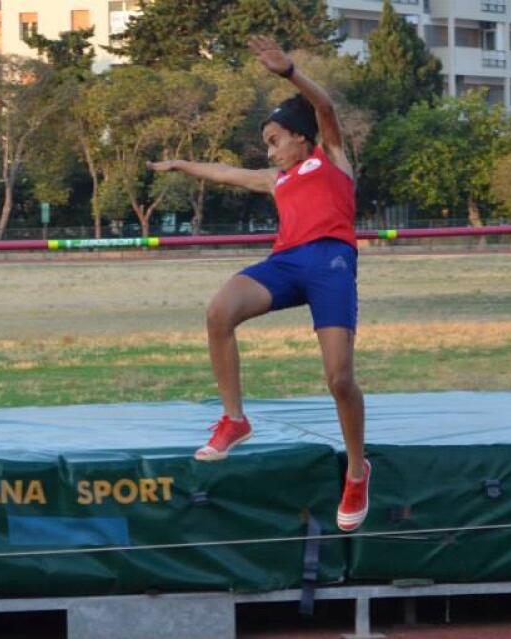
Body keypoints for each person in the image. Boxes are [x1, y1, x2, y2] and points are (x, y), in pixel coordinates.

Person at [147, 36, 369, 532]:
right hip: (286, 263)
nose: (269, 151)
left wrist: (289, 70)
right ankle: (235, 419)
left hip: (331, 264)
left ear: (301, 139)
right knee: (218, 311)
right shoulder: (278, 180)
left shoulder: (329, 159)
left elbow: (325, 104)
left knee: (339, 379)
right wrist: (181, 165)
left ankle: (357, 470)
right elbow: (226, 173)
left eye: (274, 141)